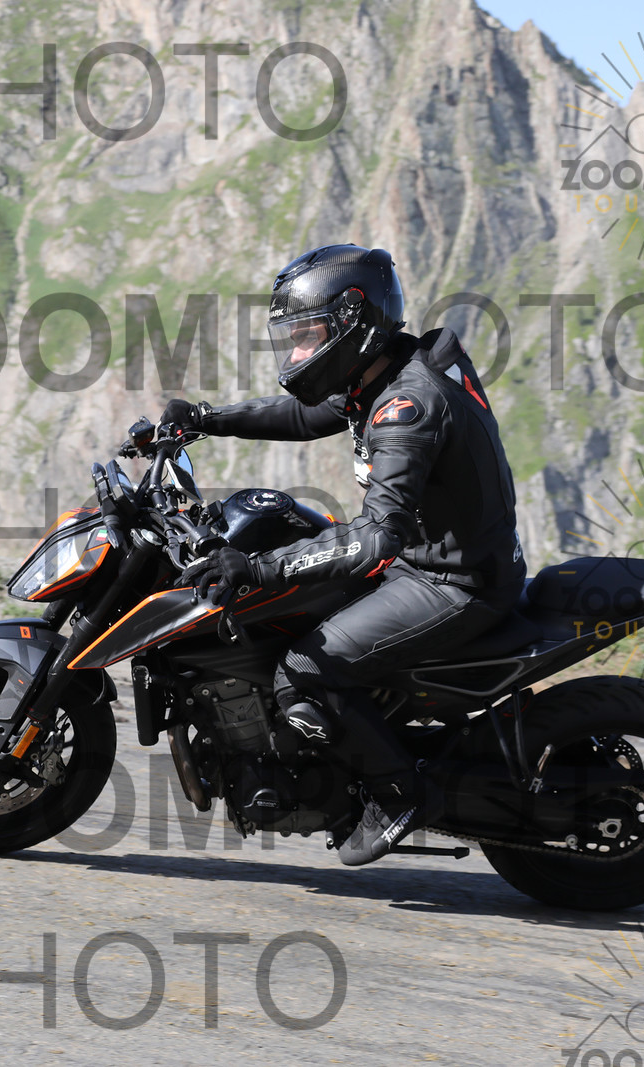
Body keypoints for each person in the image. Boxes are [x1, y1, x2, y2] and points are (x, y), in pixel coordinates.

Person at [160, 243, 526, 866]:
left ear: (353, 322)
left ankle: (400, 793)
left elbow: (378, 535)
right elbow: (306, 417)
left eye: (308, 335)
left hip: (454, 582)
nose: (297, 352)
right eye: (293, 338)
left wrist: (258, 568)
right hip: (428, 560)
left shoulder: (408, 408)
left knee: (304, 667)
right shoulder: (380, 372)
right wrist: (203, 418)